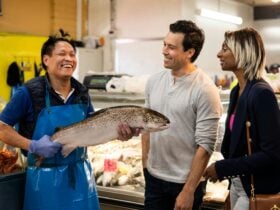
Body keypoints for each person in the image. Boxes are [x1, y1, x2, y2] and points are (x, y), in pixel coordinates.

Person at [0, 29, 138, 210]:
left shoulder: (81, 92)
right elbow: (2, 127)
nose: (69, 59)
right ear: (46, 60)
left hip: (80, 176)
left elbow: (92, 131)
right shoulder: (29, 92)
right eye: (62, 54)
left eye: (72, 54)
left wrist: (117, 134)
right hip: (43, 181)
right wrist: (32, 145)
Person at [142, 20, 222, 210]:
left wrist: (188, 191)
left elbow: (206, 145)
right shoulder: (154, 81)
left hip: (185, 183)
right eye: (164, 44)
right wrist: (145, 165)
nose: (164, 50)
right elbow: (146, 126)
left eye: (171, 47)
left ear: (189, 52)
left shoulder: (205, 89)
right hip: (154, 179)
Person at [203, 28, 280, 210]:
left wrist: (223, 168)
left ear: (243, 52)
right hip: (238, 184)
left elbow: (272, 154)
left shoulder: (261, 93)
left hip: (256, 189)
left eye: (225, 49)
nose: (218, 54)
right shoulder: (237, 91)